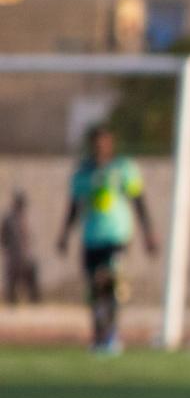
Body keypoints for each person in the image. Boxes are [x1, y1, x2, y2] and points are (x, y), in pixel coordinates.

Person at [57, 127, 159, 353]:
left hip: (117, 236)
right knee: (94, 288)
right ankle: (98, 335)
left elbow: (138, 201)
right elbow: (74, 207)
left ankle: (111, 334)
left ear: (112, 143)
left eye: (105, 142)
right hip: (92, 237)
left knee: (111, 283)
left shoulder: (123, 169)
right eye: (97, 142)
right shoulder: (83, 173)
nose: (100, 146)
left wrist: (148, 233)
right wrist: (64, 235)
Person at [2, 190, 41, 306]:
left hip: (25, 256)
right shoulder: (8, 218)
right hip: (13, 255)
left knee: (31, 275)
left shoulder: (24, 218)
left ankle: (34, 302)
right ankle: (11, 302)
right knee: (12, 281)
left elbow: (27, 238)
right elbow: (3, 237)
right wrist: (8, 250)